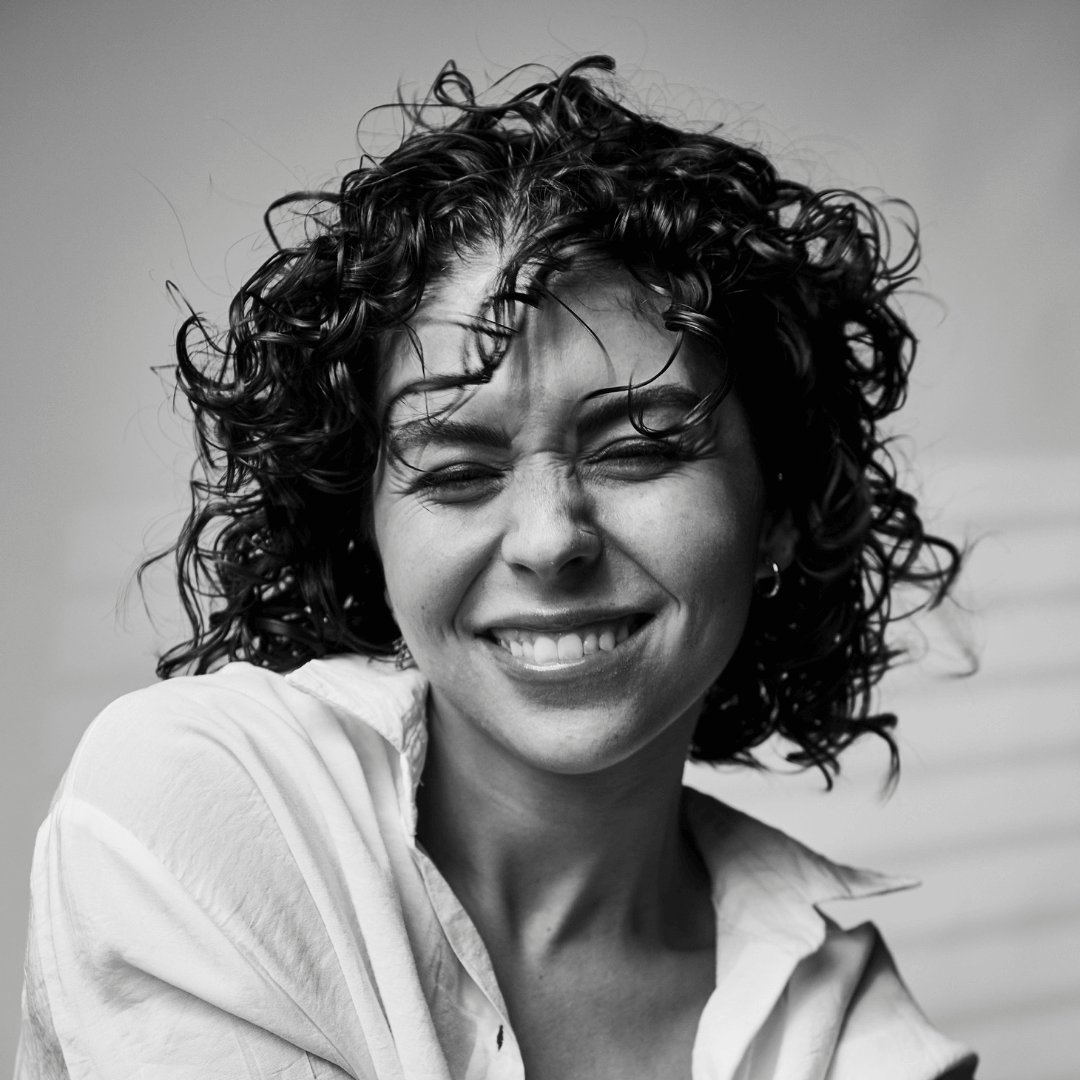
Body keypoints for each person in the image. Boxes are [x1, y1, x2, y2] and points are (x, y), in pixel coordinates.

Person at [17, 56, 977, 1080]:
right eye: (458, 467)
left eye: (641, 448)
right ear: (367, 528)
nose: (548, 539)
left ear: (777, 506)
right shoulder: (203, 806)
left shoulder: (850, 1025)